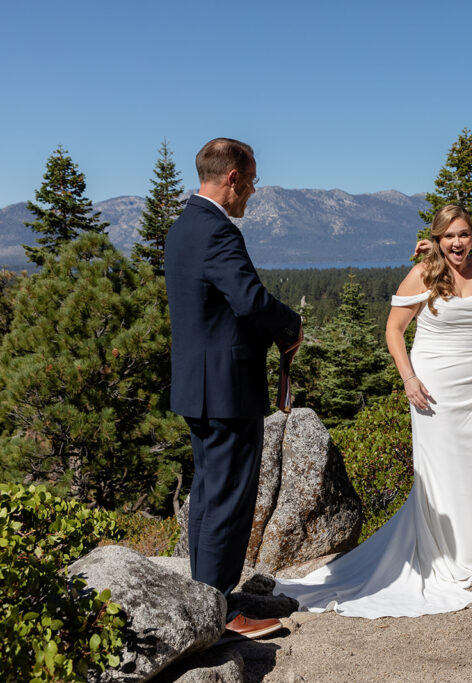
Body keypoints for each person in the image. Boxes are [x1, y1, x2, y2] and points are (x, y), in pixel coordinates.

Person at [274, 204, 472, 617]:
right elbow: (393, 330)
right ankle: (442, 557)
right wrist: (409, 378)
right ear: (437, 238)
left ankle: (471, 556)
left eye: (464, 234)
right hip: (432, 388)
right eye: (449, 235)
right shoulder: (424, 274)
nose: (457, 243)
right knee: (438, 472)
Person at [165, 138, 303, 638]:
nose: (253, 190)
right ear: (232, 178)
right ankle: (221, 614)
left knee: (207, 492)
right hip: (226, 387)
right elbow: (247, 300)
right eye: (252, 180)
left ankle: (205, 598)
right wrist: (290, 324)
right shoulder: (218, 232)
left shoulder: (182, 228)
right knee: (227, 499)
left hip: (196, 386)